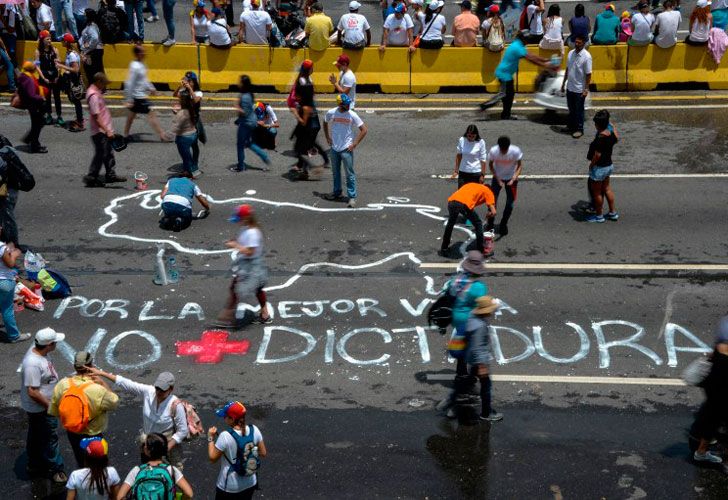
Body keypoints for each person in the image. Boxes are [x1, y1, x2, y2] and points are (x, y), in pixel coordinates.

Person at [87, 369, 190, 468]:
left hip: (166, 444)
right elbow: (126, 383)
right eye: (157, 388)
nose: (158, 392)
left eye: (162, 390)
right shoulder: (149, 392)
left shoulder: (176, 405)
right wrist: (101, 373)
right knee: (147, 470)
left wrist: (167, 448)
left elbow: (183, 430)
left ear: (171, 389)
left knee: (172, 474)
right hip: (148, 441)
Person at [434, 250, 489, 416]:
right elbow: (484, 308)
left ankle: (461, 384)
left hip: (458, 327)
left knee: (460, 357)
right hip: (472, 328)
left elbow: (444, 299)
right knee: (475, 360)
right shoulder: (478, 287)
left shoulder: (454, 281)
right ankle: (457, 398)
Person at [48, 351, 119, 468]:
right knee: (98, 463)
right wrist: (102, 383)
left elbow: (54, 411)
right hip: (93, 434)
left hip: (73, 432)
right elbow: (114, 402)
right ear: (90, 366)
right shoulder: (97, 389)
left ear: (75, 366)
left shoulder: (62, 384)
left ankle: (83, 480)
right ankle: (98, 482)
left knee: (81, 460)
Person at [21, 327, 66, 483]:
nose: (56, 345)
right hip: (41, 408)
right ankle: (56, 469)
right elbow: (32, 392)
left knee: (35, 434)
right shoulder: (32, 364)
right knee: (50, 437)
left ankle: (34, 464)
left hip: (42, 406)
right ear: (48, 344)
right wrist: (50, 406)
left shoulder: (40, 351)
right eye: (55, 342)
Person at [214, 204, 272, 327]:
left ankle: (227, 317)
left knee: (235, 289)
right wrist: (235, 242)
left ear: (245, 218)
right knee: (257, 289)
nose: (237, 222)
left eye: (239, 219)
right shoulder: (246, 229)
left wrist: (235, 245)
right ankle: (265, 314)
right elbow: (243, 243)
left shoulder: (253, 233)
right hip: (248, 264)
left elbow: (250, 251)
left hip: (251, 266)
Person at [479, 31, 555, 120]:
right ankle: (484, 106)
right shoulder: (517, 47)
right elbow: (531, 59)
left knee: (509, 95)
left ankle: (506, 115)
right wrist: (545, 65)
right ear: (523, 39)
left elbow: (532, 56)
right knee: (503, 94)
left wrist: (546, 60)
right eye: (527, 39)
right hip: (504, 74)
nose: (528, 41)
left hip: (507, 74)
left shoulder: (518, 44)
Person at [208, 401, 267, 499]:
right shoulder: (254, 430)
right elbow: (263, 453)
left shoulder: (225, 436)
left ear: (232, 419)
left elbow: (212, 458)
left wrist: (210, 439)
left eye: (225, 416)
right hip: (250, 482)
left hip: (230, 487)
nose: (224, 418)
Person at [690, 315, 728, 464]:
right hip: (722, 380)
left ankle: (701, 450)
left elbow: (718, 349)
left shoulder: (725, 323)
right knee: (716, 415)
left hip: (715, 378)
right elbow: (723, 349)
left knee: (713, 415)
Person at [322, 93, 367, 208]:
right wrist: (327, 137)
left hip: (346, 149)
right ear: (340, 105)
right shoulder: (332, 112)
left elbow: (364, 130)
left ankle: (351, 197)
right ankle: (337, 192)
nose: (348, 106)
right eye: (346, 105)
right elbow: (325, 121)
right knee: (336, 173)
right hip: (334, 148)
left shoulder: (352, 114)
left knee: (349, 174)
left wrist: (355, 144)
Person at [462, 295, 502, 421]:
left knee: (470, 380)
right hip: (479, 360)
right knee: (486, 386)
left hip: (472, 357)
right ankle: (486, 413)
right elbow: (478, 347)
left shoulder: (471, 317)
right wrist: (482, 366)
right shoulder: (479, 326)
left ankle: (455, 400)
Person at [116, 433, 194, 498]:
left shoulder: (137, 471)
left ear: (146, 451)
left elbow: (120, 497)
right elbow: (189, 493)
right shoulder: (171, 470)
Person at [84, 72, 125, 187]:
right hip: (99, 131)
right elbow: (96, 117)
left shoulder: (96, 91)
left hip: (104, 129)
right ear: (98, 82)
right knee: (101, 154)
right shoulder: (93, 96)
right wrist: (107, 130)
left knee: (108, 153)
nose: (105, 86)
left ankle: (111, 175)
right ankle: (92, 177)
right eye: (104, 83)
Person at [291, 60, 328, 180]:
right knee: (310, 144)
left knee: (300, 149)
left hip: (308, 125)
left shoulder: (304, 106)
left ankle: (308, 170)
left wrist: (295, 112)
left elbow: (303, 122)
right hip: (314, 123)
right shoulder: (309, 82)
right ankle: (321, 162)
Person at [123, 45, 168, 142]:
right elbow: (129, 83)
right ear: (137, 54)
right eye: (142, 52)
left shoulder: (142, 64)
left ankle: (125, 135)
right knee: (151, 113)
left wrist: (152, 89)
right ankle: (162, 135)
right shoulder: (135, 66)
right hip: (138, 96)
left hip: (139, 96)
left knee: (131, 115)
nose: (144, 53)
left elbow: (144, 79)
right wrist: (129, 99)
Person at [440, 183, 496, 257]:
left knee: (450, 223)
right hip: (463, 205)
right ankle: (481, 251)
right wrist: (488, 216)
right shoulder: (488, 191)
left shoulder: (472, 185)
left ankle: (444, 248)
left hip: (451, 202)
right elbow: (494, 212)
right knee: (478, 224)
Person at [585, 109, 619, 223]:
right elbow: (617, 137)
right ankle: (613, 212)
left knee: (597, 193)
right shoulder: (611, 135)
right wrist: (612, 125)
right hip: (609, 166)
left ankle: (599, 216)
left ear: (598, 125)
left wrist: (591, 165)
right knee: (607, 189)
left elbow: (597, 155)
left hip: (599, 168)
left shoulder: (600, 139)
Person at [232, 75, 269, 172]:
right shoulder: (249, 94)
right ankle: (263, 155)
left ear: (243, 84)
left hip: (246, 123)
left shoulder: (244, 97)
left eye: (240, 82)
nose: (238, 83)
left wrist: (236, 106)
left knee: (240, 145)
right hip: (252, 121)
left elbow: (244, 112)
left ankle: (240, 166)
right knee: (248, 143)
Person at [486, 136, 522, 236]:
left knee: (510, 204)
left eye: (505, 149)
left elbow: (519, 165)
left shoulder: (515, 151)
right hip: (498, 177)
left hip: (511, 178)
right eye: (502, 149)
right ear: (499, 147)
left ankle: (503, 224)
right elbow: (490, 165)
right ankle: (490, 224)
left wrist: (514, 177)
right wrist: (497, 179)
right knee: (492, 202)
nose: (503, 151)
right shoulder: (494, 151)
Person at [560, 34, 591, 138]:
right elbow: (568, 69)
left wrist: (586, 89)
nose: (577, 44)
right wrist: (563, 83)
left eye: (579, 43)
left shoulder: (586, 57)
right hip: (570, 87)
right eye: (576, 42)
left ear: (583, 44)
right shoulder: (570, 54)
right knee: (571, 109)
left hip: (579, 90)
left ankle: (579, 129)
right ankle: (571, 126)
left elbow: (588, 74)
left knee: (579, 111)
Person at [174, 71, 205, 173]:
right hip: (186, 120)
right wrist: (180, 86)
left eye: (190, 81)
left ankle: (194, 163)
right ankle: (188, 164)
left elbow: (196, 100)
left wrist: (190, 88)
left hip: (194, 120)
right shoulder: (184, 90)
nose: (188, 83)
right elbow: (175, 95)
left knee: (194, 144)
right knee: (186, 145)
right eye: (187, 81)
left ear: (194, 82)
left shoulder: (198, 92)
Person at [0, 238, 29, 343]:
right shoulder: (0, 247)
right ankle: (14, 336)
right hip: (4, 281)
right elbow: (10, 264)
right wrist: (15, 253)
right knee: (7, 309)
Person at [17, 61, 48, 154]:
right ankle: (34, 146)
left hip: (32, 104)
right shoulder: (27, 78)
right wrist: (41, 97)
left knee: (38, 124)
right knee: (37, 125)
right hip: (34, 104)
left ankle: (32, 141)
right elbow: (31, 94)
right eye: (34, 66)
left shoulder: (25, 75)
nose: (35, 68)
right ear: (30, 68)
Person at [55, 32, 85, 132]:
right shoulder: (70, 53)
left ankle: (80, 122)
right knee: (75, 101)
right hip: (70, 78)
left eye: (63, 40)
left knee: (76, 101)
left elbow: (75, 69)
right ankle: (79, 119)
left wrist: (61, 66)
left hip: (73, 79)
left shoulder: (72, 55)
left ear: (66, 42)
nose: (61, 42)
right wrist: (61, 63)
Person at [35, 31, 63, 127]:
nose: (49, 40)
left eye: (50, 38)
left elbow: (59, 64)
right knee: (47, 98)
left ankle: (59, 116)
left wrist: (58, 76)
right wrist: (43, 78)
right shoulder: (38, 51)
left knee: (57, 97)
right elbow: (37, 66)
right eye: (47, 39)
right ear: (42, 40)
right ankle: (49, 115)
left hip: (55, 77)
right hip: (44, 77)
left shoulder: (55, 50)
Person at [172, 92, 200, 177]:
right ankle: (195, 166)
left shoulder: (181, 113)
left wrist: (176, 113)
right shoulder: (192, 107)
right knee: (195, 150)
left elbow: (176, 128)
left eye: (180, 99)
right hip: (194, 134)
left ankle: (188, 173)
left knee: (186, 157)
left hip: (184, 137)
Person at [451, 124, 487, 188]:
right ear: (466, 134)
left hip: (476, 173)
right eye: (469, 136)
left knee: (474, 195)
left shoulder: (481, 142)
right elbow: (459, 156)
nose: (470, 138)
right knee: (462, 195)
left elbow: (483, 159)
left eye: (473, 136)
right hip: (463, 172)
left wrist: (482, 175)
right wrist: (456, 171)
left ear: (476, 135)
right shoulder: (462, 140)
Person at [79, 9, 104, 84]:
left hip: (95, 51)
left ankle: (98, 86)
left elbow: (95, 38)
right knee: (93, 69)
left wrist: (88, 46)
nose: (84, 16)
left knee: (94, 69)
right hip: (92, 50)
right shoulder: (88, 25)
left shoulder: (92, 26)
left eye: (85, 15)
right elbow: (82, 37)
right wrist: (83, 45)